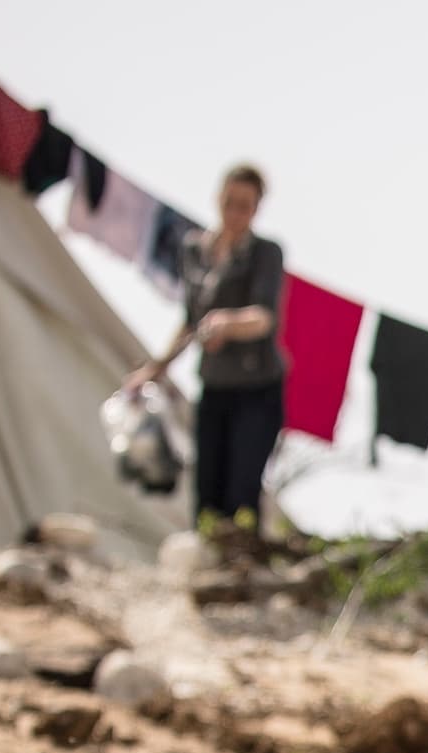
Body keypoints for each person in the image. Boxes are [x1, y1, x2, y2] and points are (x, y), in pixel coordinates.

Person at [127, 164, 285, 527]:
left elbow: (264, 317)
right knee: (207, 491)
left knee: (241, 493)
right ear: (218, 198)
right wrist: (156, 368)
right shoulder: (194, 250)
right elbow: (190, 320)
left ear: (256, 208)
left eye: (245, 206)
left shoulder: (265, 254)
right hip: (214, 386)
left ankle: (242, 568)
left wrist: (227, 324)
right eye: (231, 202)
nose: (235, 213)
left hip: (257, 389)